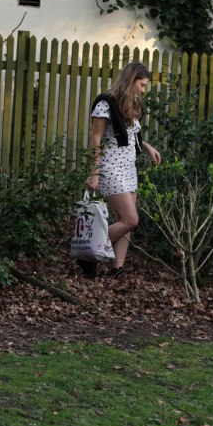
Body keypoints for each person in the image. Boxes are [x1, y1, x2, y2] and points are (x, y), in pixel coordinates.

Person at [83, 62, 162, 278]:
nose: (143, 90)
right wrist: (95, 172)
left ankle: (117, 268)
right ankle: (88, 253)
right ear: (131, 80)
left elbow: (132, 137)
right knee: (130, 219)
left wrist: (147, 147)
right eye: (142, 84)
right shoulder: (106, 103)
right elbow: (96, 138)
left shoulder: (132, 104)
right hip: (110, 168)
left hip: (128, 168)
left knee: (124, 220)